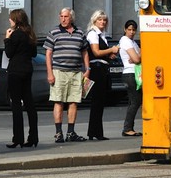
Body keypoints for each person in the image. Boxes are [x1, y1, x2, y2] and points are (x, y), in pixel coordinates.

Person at [45, 7, 90, 143]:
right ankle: (59, 133)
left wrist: (87, 69)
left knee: (74, 101)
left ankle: (71, 132)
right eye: (61, 16)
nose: (63, 19)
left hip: (76, 72)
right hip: (59, 71)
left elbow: (84, 52)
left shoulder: (80, 32)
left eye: (66, 17)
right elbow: (48, 54)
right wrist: (50, 73)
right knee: (58, 101)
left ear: (71, 18)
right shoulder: (54, 32)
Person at [4, 8, 39, 148]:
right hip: (27, 69)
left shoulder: (15, 34)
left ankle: (18, 138)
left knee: (16, 104)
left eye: (11, 18)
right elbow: (34, 53)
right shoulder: (30, 33)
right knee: (29, 103)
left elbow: (9, 53)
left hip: (15, 71)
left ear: (16, 20)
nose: (9, 20)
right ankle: (33, 137)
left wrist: (7, 39)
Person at [85, 10, 119, 141]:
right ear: (94, 21)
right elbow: (96, 52)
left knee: (99, 102)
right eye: (100, 19)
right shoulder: (93, 34)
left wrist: (109, 55)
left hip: (102, 67)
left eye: (104, 20)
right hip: (97, 68)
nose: (102, 22)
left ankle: (95, 131)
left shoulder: (101, 34)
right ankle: (95, 132)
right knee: (97, 101)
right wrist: (111, 49)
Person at [119, 18, 142, 137]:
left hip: (134, 72)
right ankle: (127, 128)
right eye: (129, 29)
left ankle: (129, 127)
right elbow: (138, 59)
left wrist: (137, 57)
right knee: (135, 101)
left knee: (134, 101)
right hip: (130, 73)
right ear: (125, 29)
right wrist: (137, 57)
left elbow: (139, 57)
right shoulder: (125, 40)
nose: (132, 32)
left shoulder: (133, 42)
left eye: (134, 30)